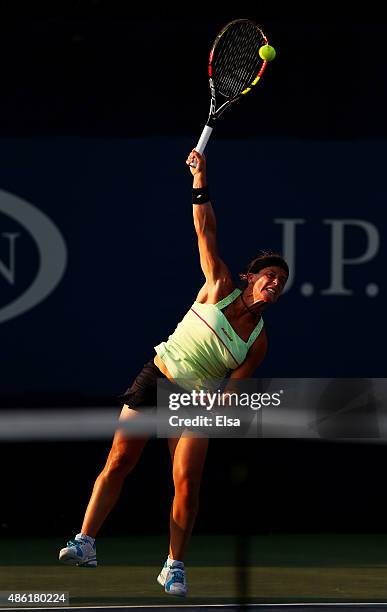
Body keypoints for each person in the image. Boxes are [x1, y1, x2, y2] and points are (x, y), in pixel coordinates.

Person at [58, 149, 289, 597]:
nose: (276, 284)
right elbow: (206, 229)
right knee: (120, 461)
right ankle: (85, 541)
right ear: (250, 278)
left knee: (187, 480)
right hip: (157, 377)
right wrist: (199, 177)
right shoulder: (218, 285)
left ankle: (174, 567)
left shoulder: (257, 341)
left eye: (282, 280)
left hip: (195, 401)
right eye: (270, 276)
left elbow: (233, 392)